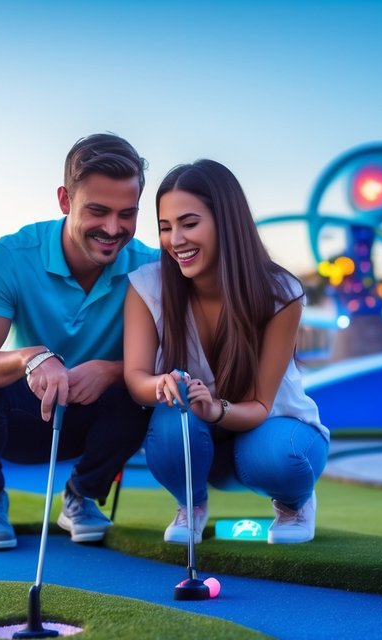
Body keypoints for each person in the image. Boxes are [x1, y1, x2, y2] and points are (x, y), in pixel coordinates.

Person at [0, 134, 158, 550]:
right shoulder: (8, 256)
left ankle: (82, 494)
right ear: (65, 200)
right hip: (26, 417)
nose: (113, 229)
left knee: (142, 392)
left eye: (126, 214)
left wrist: (114, 371)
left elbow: (178, 359)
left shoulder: (151, 268)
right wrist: (31, 357)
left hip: (100, 416)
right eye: (98, 211)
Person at [123, 159, 330, 545]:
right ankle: (192, 505)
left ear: (226, 220)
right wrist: (162, 384)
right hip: (205, 445)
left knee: (275, 458)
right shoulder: (147, 286)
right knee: (172, 423)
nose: (175, 240)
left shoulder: (280, 294)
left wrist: (215, 409)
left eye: (189, 223)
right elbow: (136, 378)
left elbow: (260, 406)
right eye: (166, 228)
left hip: (275, 431)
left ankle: (294, 503)